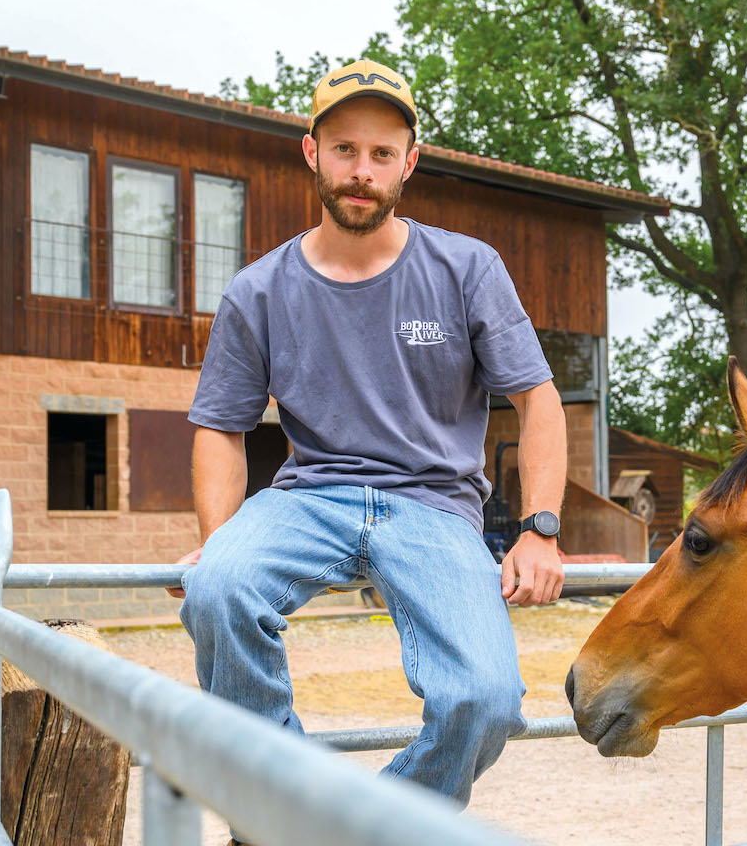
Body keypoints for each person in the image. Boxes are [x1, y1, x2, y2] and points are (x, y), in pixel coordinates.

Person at [168, 59, 567, 844]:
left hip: (434, 507)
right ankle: (279, 812)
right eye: (345, 149)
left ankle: (361, 831)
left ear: (409, 163)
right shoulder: (258, 290)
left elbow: (539, 400)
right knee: (216, 587)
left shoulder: (466, 268)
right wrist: (218, 536)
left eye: (382, 154)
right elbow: (221, 425)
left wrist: (539, 527)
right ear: (310, 152)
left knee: (486, 699)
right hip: (307, 497)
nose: (363, 171)